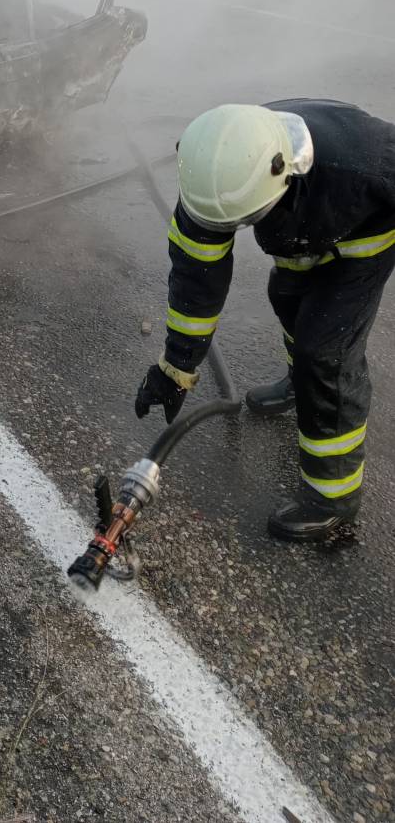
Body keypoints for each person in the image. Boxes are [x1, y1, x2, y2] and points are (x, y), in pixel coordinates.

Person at [135, 100, 395, 542]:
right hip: (297, 229)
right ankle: (301, 385)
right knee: (289, 300)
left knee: (325, 353)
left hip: (363, 232)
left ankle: (332, 499)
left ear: (285, 175)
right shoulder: (212, 172)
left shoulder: (365, 164)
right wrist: (176, 368)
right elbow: (197, 280)